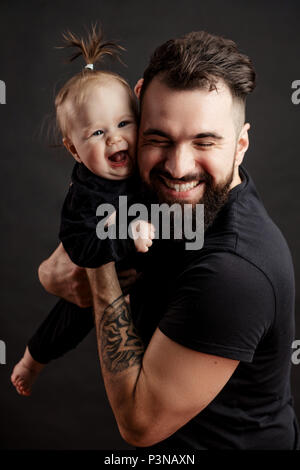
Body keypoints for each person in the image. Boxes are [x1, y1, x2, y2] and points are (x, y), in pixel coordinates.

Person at [25, 30, 300, 449]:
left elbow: (138, 424)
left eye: (204, 141)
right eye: (158, 139)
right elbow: (54, 272)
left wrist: (98, 262)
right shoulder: (147, 187)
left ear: (240, 145)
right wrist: (61, 268)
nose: (177, 167)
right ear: (137, 107)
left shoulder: (235, 271)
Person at [10, 26, 154, 397]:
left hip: (146, 283)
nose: (115, 138)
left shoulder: (147, 167)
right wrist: (125, 236)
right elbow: (79, 247)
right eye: (97, 133)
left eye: (124, 124)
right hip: (100, 277)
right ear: (73, 150)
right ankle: (32, 358)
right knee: (70, 318)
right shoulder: (85, 195)